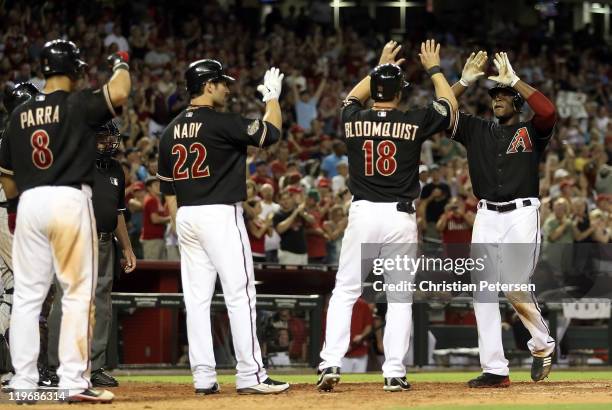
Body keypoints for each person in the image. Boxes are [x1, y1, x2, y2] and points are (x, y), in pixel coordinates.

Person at [317, 40, 458, 392]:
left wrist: (378, 68)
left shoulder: (353, 119)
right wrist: (435, 69)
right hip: (399, 217)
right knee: (398, 297)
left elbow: (350, 98)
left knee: (345, 290)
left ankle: (330, 362)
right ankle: (393, 371)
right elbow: (448, 105)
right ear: (399, 93)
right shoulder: (412, 120)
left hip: (363, 213)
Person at [0, 39, 130, 403]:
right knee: (76, 294)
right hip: (69, 199)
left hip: (29, 204)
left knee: (27, 296)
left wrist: (27, 195)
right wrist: (120, 61)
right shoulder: (75, 102)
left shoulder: (19, 113)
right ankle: (73, 382)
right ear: (74, 69)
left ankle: (23, 382)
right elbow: (120, 90)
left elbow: (7, 178)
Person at [156, 59, 289, 394]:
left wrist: (182, 225)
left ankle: (203, 376)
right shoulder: (221, 122)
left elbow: (167, 189)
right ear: (208, 85)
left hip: (186, 216)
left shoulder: (170, 130)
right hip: (219, 214)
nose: (228, 88)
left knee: (197, 300)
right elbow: (270, 134)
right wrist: (272, 99)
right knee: (240, 293)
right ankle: (250, 374)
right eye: (223, 83)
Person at [449, 51, 557, 387]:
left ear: (517, 103)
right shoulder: (476, 129)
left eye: (504, 96)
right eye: (494, 96)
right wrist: (464, 82)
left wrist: (515, 82)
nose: (498, 100)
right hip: (486, 216)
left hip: (521, 213)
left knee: (513, 286)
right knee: (482, 292)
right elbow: (440, 113)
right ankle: (495, 368)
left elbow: (548, 111)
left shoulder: (531, 132)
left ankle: (542, 344)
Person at [46, 121, 137, 388]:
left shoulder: (116, 169)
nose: (108, 143)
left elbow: (118, 212)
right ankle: (55, 366)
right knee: (65, 300)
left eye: (110, 138)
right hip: (74, 240)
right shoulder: (72, 164)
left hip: (106, 242)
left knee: (102, 305)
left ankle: (94, 366)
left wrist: (128, 247)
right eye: (101, 138)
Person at [0, 82, 39, 384]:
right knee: (20, 289)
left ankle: (15, 369)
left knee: (8, 289)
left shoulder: (8, 134)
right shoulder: (16, 136)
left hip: (6, 212)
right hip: (7, 214)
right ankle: (21, 370)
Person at [273, 190, 314, 265]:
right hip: (288, 253)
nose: (286, 201)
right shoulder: (278, 214)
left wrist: (303, 213)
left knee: (303, 276)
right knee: (289, 277)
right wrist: (295, 213)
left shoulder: (300, 211)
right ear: (280, 201)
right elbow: (280, 229)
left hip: (303, 253)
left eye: (288, 198)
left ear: (292, 199)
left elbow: (312, 221)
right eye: (283, 199)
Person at [140, 177, 171, 259]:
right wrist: (172, 218)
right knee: (151, 269)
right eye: (156, 185)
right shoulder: (151, 200)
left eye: (159, 184)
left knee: (160, 267)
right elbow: (155, 219)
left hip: (158, 239)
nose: (159, 186)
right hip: (152, 240)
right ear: (149, 188)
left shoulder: (156, 200)